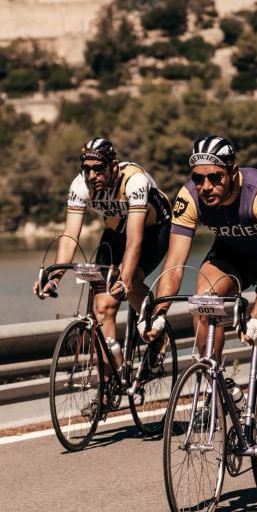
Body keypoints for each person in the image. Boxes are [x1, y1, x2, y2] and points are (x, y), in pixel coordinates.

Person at [143, 136, 257, 480]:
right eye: (198, 178)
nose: (205, 186)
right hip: (232, 253)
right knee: (203, 300)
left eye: (214, 177)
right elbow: (174, 264)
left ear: (232, 172)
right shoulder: (189, 197)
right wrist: (158, 314)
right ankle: (217, 379)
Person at [33, 138, 171, 366]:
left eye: (98, 169)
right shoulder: (80, 185)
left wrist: (125, 281)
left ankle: (155, 330)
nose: (92, 175)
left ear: (114, 166)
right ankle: (109, 384)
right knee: (102, 306)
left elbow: (135, 240)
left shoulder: (134, 180)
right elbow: (69, 236)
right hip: (115, 230)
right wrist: (54, 276)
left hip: (152, 229)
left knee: (132, 280)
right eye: (86, 169)